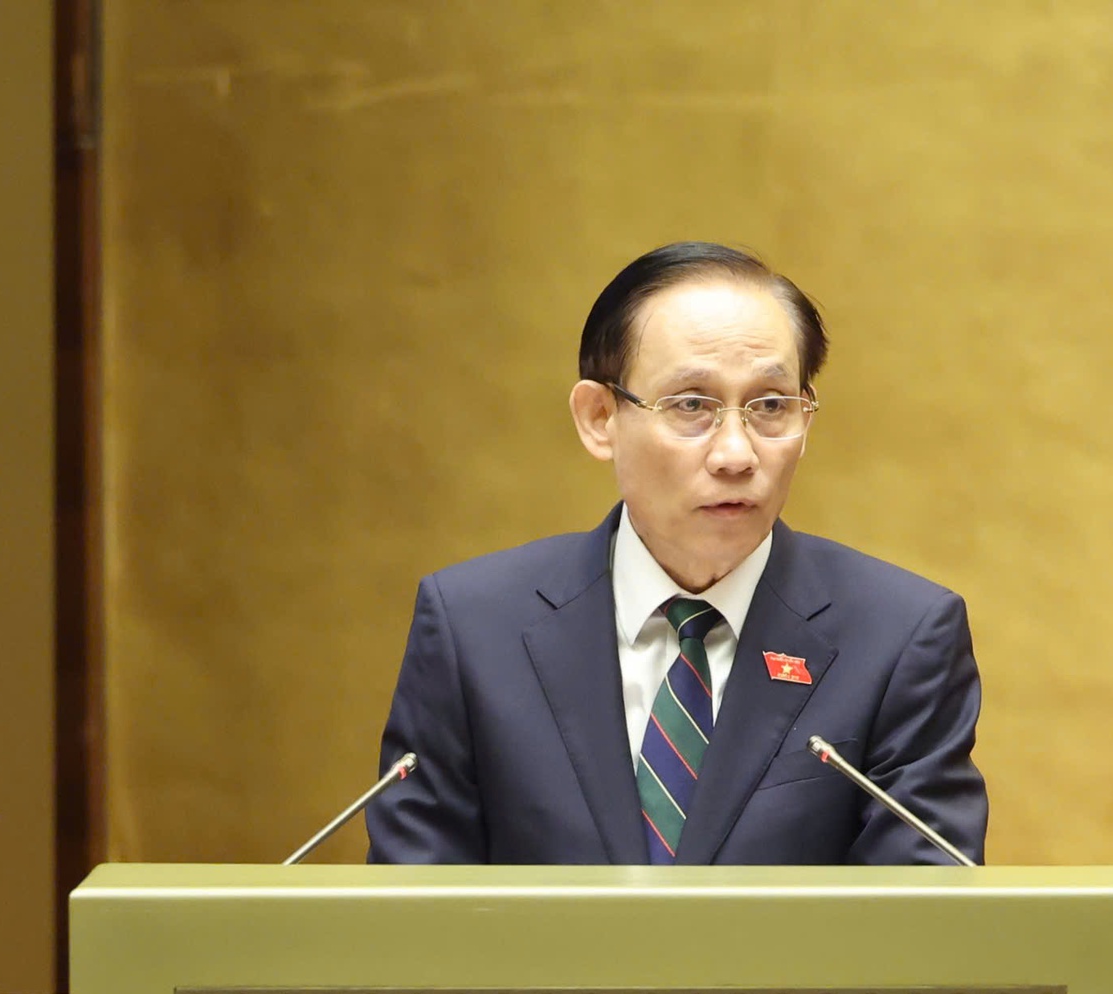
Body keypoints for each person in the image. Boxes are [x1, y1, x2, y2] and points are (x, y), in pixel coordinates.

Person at [366, 242, 987, 865]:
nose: (736, 454)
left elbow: (924, 912)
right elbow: (414, 907)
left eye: (771, 406)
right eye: (692, 405)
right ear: (599, 417)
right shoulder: (473, 629)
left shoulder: (899, 637)